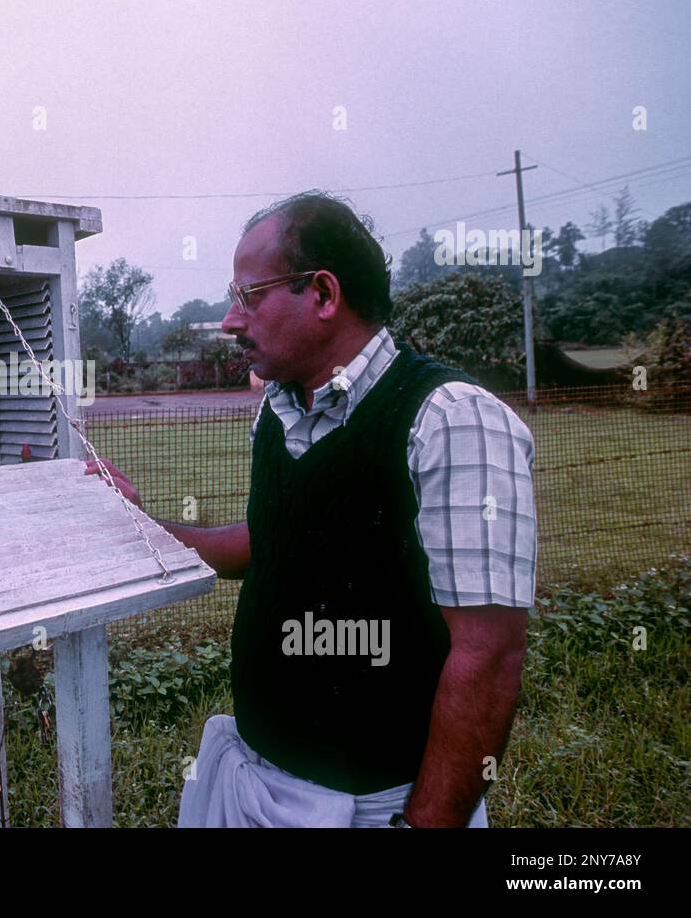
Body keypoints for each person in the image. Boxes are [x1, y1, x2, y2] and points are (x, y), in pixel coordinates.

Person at [86, 191, 536, 828]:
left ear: (323, 295)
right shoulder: (280, 410)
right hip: (253, 779)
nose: (231, 320)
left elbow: (488, 656)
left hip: (368, 808)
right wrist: (140, 524)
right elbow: (268, 542)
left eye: (249, 296)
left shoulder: (451, 420)